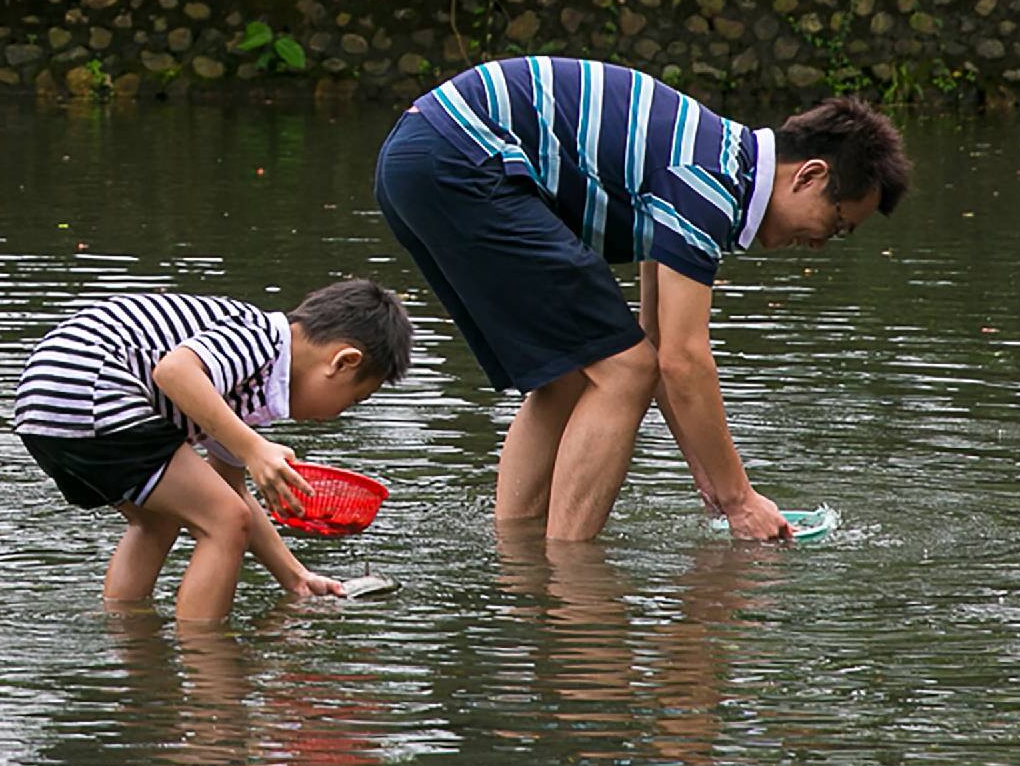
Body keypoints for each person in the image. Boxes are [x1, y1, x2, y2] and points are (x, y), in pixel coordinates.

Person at [375, 57, 910, 541]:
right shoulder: (709, 181)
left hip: (421, 154)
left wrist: (712, 476)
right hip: (460, 156)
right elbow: (682, 361)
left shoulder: (713, 161)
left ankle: (520, 562)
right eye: (835, 225)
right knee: (622, 370)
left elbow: (661, 343)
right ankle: (570, 580)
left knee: (571, 374)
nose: (818, 244)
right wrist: (739, 499)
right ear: (810, 176)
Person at [14, 280, 413, 625]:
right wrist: (254, 448)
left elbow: (230, 489)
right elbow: (174, 372)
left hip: (46, 404)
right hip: (90, 383)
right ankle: (208, 666)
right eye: (355, 398)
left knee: (159, 520)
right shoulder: (261, 339)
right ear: (343, 362)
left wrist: (294, 577)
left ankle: (129, 635)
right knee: (223, 522)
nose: (341, 413)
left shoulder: (248, 398)